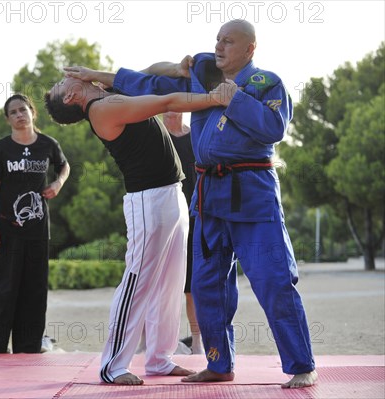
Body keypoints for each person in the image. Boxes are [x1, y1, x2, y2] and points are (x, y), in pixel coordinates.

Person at [64, 19, 318, 389]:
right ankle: (219, 362)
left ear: (250, 49)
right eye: (217, 40)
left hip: (252, 190)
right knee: (206, 284)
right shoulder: (202, 73)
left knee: (274, 280)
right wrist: (98, 75)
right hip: (208, 191)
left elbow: (273, 128)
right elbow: (150, 83)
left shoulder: (267, 82)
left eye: (228, 42)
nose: (219, 47)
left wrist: (236, 98)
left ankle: (301, 364)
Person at [45, 76, 221, 385]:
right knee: (136, 282)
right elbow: (165, 101)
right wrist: (216, 98)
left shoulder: (109, 94)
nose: (71, 76)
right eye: (64, 81)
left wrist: (95, 72)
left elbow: (145, 73)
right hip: (148, 201)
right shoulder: (102, 109)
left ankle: (159, 359)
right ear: (72, 96)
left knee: (170, 282)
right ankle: (112, 365)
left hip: (172, 194)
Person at [0, 93, 70, 354]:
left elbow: (64, 166)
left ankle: (28, 346)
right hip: (5, 231)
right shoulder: (1, 148)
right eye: (13, 112)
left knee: (35, 290)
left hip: (38, 232)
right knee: (3, 289)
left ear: (32, 112)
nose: (19, 115)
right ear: (8, 119)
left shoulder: (48, 144)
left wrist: (58, 183)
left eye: (23, 110)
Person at [162, 112, 204, 355]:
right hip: (167, 217)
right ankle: (155, 343)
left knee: (192, 287)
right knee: (160, 285)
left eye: (175, 104)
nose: (171, 110)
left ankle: (197, 341)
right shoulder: (157, 138)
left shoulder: (196, 136)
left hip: (196, 216)